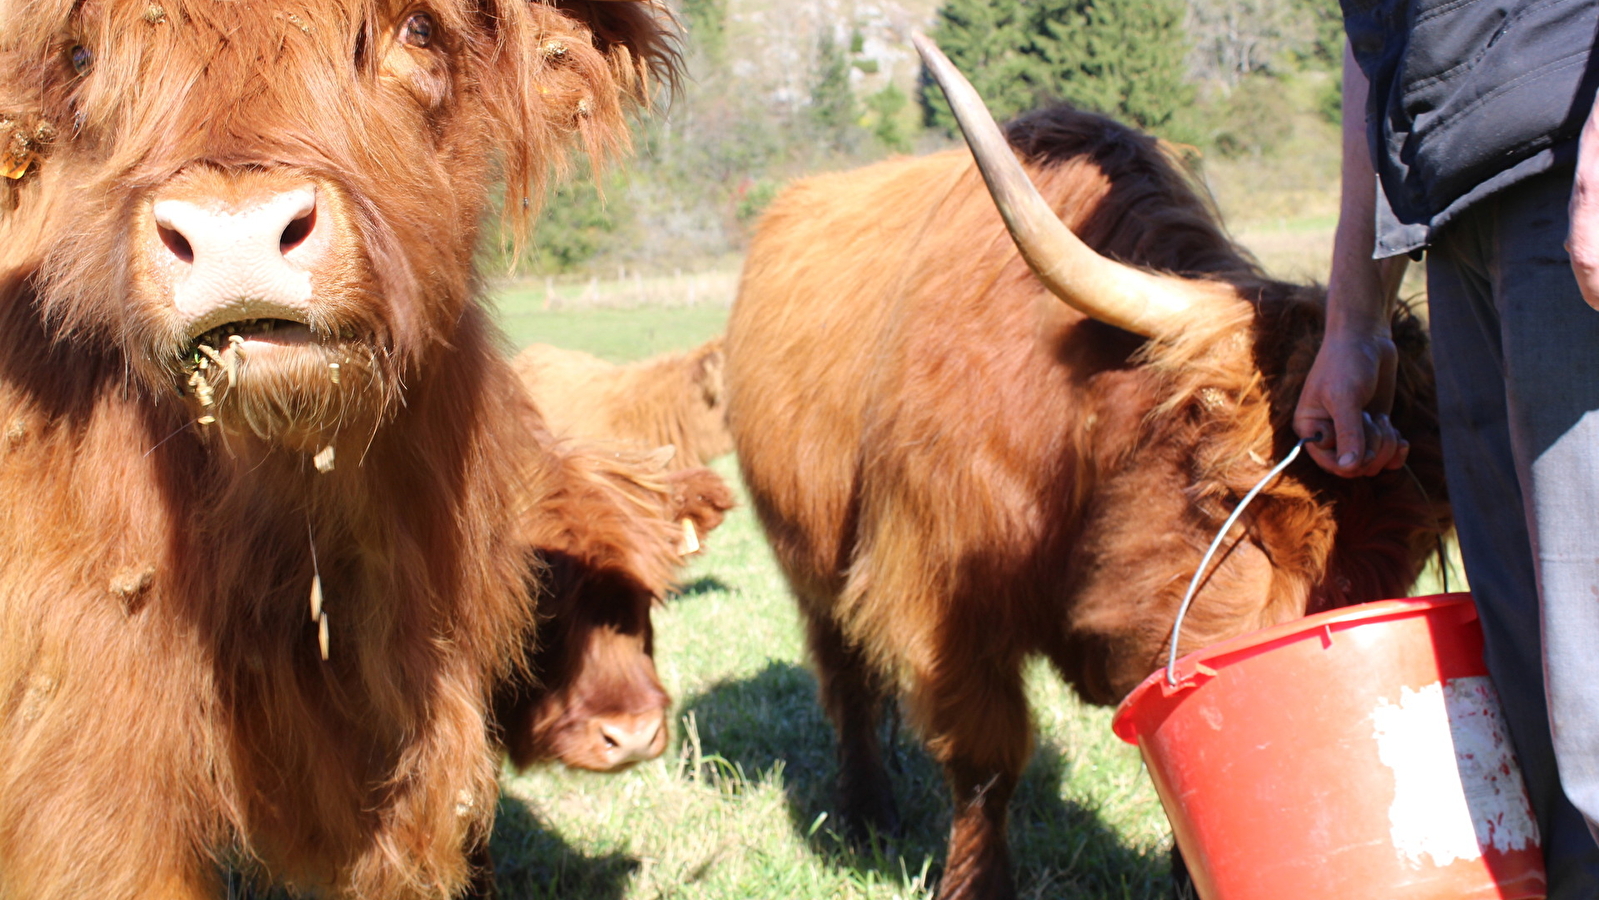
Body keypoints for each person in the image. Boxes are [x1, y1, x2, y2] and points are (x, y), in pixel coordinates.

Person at [1293, 4, 1599, 895]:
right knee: (1532, 649)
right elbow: (1376, 35)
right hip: (1455, 204)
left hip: (1566, 162)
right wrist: (1353, 319)